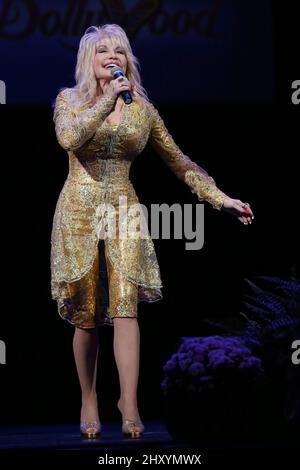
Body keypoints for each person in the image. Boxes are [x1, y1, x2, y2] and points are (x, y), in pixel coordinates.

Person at [50, 24, 254, 439]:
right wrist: (107, 100)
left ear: (128, 62)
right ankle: (89, 398)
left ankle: (130, 403)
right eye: (103, 51)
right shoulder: (68, 100)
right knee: (86, 314)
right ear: (88, 60)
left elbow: (180, 162)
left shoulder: (143, 109)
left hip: (124, 207)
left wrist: (220, 199)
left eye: (120, 52)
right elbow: (68, 137)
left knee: (127, 305)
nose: (113, 57)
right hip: (78, 209)